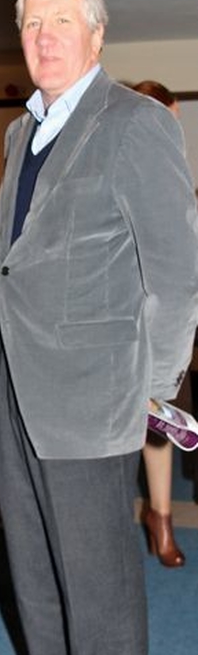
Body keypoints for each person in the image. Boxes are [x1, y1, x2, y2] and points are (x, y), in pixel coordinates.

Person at [0, 0, 198, 655]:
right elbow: (11, 259)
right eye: (31, 22)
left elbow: (175, 277)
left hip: (97, 393)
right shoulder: (17, 133)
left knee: (99, 579)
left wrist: (149, 391)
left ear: (96, 35)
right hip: (16, 388)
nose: (43, 36)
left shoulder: (135, 123)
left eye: (60, 21)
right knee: (34, 567)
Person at [132, 79, 188, 567]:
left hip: (168, 321)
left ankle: (162, 520)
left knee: (159, 423)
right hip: (123, 316)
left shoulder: (177, 178)